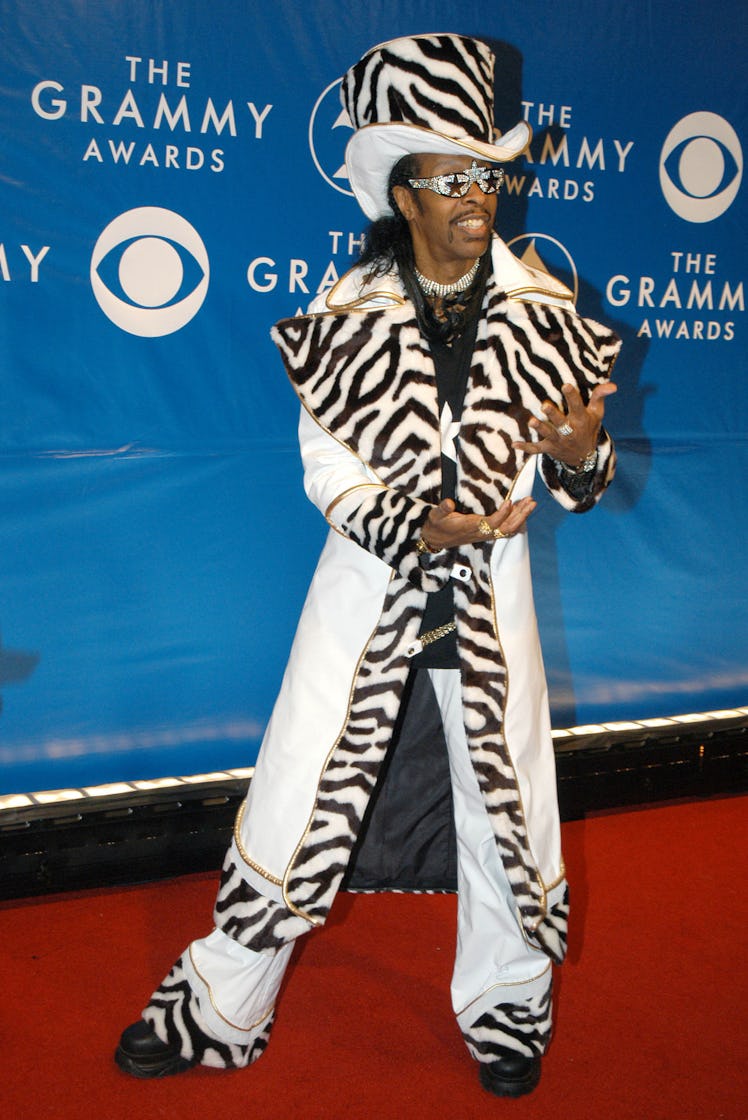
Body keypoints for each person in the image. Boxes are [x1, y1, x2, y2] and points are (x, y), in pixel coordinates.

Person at [115, 32, 619, 1099]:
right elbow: (326, 469)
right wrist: (407, 523)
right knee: (298, 801)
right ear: (401, 191)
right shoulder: (346, 320)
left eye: (486, 169)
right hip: (367, 606)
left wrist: (582, 457)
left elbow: (576, 475)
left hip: (488, 617)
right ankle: (216, 1005)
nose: (473, 191)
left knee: (503, 817)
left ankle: (506, 1007)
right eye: (448, 172)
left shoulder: (544, 317)